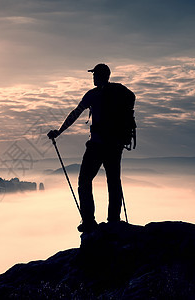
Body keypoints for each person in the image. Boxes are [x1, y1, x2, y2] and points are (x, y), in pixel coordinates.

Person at [47, 63, 135, 233]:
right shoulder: (120, 93)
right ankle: (114, 221)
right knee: (114, 181)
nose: (93, 78)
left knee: (84, 180)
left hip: (97, 144)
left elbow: (75, 113)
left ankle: (88, 221)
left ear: (100, 76)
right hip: (116, 145)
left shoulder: (93, 95)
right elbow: (132, 99)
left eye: (94, 75)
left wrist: (59, 131)